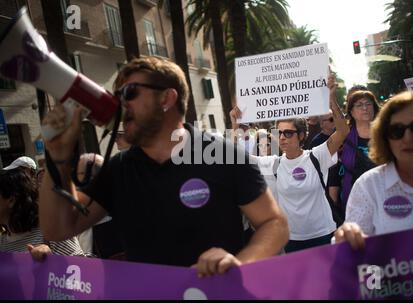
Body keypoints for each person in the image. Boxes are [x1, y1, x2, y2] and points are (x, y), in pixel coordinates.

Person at [39, 56, 288, 276]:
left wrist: (240, 262)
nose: (121, 105)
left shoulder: (225, 155)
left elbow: (274, 224)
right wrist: (58, 157)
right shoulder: (117, 170)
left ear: (167, 98)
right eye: (117, 96)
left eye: (130, 93)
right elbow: (59, 228)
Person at [231, 75, 349, 252]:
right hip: (292, 239)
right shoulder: (273, 164)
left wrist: (331, 98)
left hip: (324, 234)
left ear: (301, 136)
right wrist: (235, 126)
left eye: (288, 133)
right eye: (279, 133)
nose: (283, 138)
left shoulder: (317, 156)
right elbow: (237, 157)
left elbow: (343, 130)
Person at [335, 91, 413, 249]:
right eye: (397, 130)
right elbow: (353, 257)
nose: (408, 138)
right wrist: (346, 241)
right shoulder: (368, 186)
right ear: (385, 138)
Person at [0, 168, 84, 261]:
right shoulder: (2, 243)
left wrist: (51, 259)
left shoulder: (53, 229)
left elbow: (82, 268)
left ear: (11, 200)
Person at [329, 90, 379, 216]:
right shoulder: (343, 136)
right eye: (359, 105)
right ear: (351, 111)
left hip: (382, 194)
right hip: (353, 196)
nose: (365, 108)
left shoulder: (386, 134)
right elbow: (334, 173)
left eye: (368, 104)